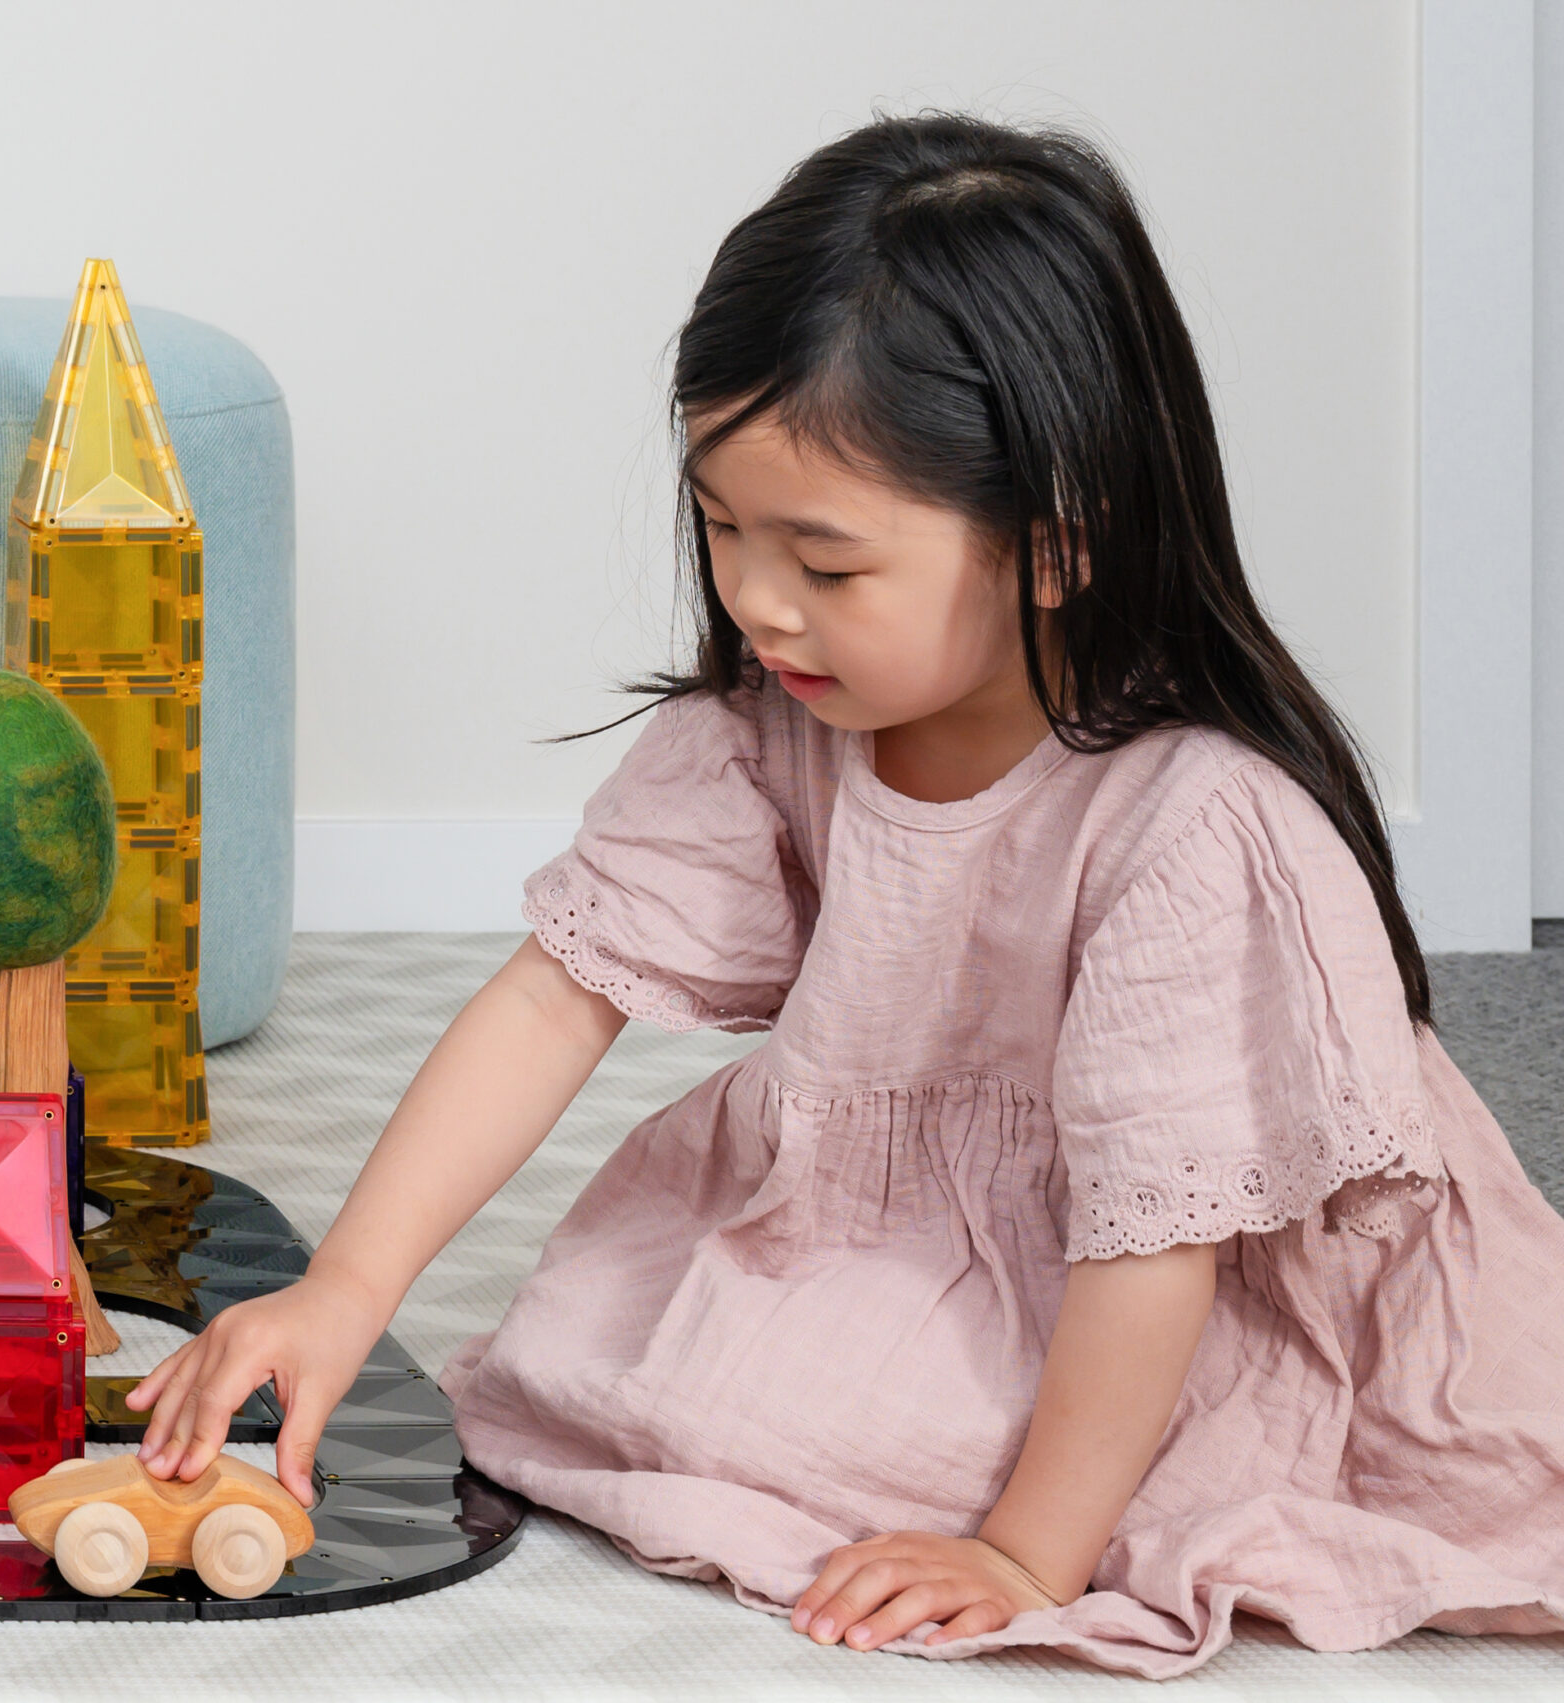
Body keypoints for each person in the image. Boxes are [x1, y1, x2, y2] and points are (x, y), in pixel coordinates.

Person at [126, 113, 1564, 1676]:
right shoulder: (774, 730)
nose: (756, 601)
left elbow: (1158, 1239)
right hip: (929, 1226)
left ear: (1055, 548)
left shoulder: (1196, 826)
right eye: (722, 527)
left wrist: (1025, 1554)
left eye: (825, 563)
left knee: (1034, 1465)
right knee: (633, 1375)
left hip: (1164, 1273)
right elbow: (553, 999)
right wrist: (343, 1291)